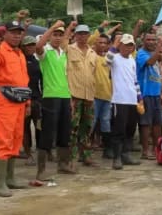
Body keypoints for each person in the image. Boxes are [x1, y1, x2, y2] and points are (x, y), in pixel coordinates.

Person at [0, 18, 29, 197]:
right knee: (5, 138)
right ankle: (0, 183)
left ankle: (10, 178)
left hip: (19, 99)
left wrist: (28, 102)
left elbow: (24, 80)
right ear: (5, 33)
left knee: (16, 137)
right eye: (13, 32)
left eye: (19, 32)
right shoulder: (1, 49)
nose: (17, 35)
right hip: (4, 100)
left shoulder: (20, 53)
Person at [35, 20, 76, 177]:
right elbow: (38, 46)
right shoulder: (45, 52)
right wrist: (52, 27)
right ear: (49, 35)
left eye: (60, 35)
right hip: (50, 97)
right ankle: (41, 170)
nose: (58, 38)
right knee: (47, 133)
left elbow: (65, 77)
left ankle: (63, 164)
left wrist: (70, 98)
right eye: (55, 35)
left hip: (65, 96)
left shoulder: (63, 54)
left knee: (64, 132)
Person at [106, 34, 142, 170]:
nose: (128, 48)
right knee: (118, 130)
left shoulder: (132, 60)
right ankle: (117, 157)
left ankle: (126, 154)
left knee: (130, 129)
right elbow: (106, 61)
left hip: (132, 100)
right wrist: (114, 44)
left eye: (130, 45)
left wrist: (140, 97)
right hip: (119, 100)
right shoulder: (115, 58)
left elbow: (135, 80)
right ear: (120, 45)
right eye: (125, 45)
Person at [66, 23, 98, 168]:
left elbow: (94, 74)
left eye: (85, 34)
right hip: (74, 95)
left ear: (88, 35)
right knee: (73, 128)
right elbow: (61, 42)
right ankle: (71, 158)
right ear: (75, 35)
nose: (82, 36)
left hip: (89, 96)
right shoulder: (69, 49)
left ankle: (86, 156)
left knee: (87, 127)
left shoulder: (93, 53)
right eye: (79, 34)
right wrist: (69, 27)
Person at [136, 32, 162, 160]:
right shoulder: (141, 53)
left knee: (157, 123)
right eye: (149, 39)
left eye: (154, 39)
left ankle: (156, 149)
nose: (151, 42)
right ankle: (145, 150)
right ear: (143, 41)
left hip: (156, 93)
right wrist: (159, 48)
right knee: (146, 123)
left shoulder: (155, 54)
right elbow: (150, 62)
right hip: (145, 93)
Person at [89, 26, 115, 159]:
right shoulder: (91, 55)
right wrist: (101, 28)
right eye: (100, 42)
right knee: (92, 122)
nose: (102, 45)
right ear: (95, 43)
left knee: (106, 121)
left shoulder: (110, 59)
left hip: (108, 95)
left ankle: (107, 148)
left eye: (105, 43)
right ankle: (86, 149)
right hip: (94, 94)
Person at [21, 35, 42, 166]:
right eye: (27, 45)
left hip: (37, 97)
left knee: (40, 126)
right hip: (23, 99)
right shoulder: (20, 60)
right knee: (25, 129)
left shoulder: (36, 61)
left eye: (32, 45)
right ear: (22, 47)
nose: (30, 47)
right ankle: (28, 154)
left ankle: (42, 152)